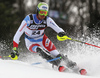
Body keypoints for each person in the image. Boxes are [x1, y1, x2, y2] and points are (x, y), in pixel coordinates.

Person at [10, 2, 86, 75]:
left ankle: (74, 66)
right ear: (38, 11)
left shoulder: (47, 20)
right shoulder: (29, 19)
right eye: (41, 12)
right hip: (30, 42)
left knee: (57, 54)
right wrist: (15, 49)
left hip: (42, 39)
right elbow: (17, 34)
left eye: (45, 13)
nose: (43, 15)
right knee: (41, 51)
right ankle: (57, 65)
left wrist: (62, 33)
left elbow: (58, 29)